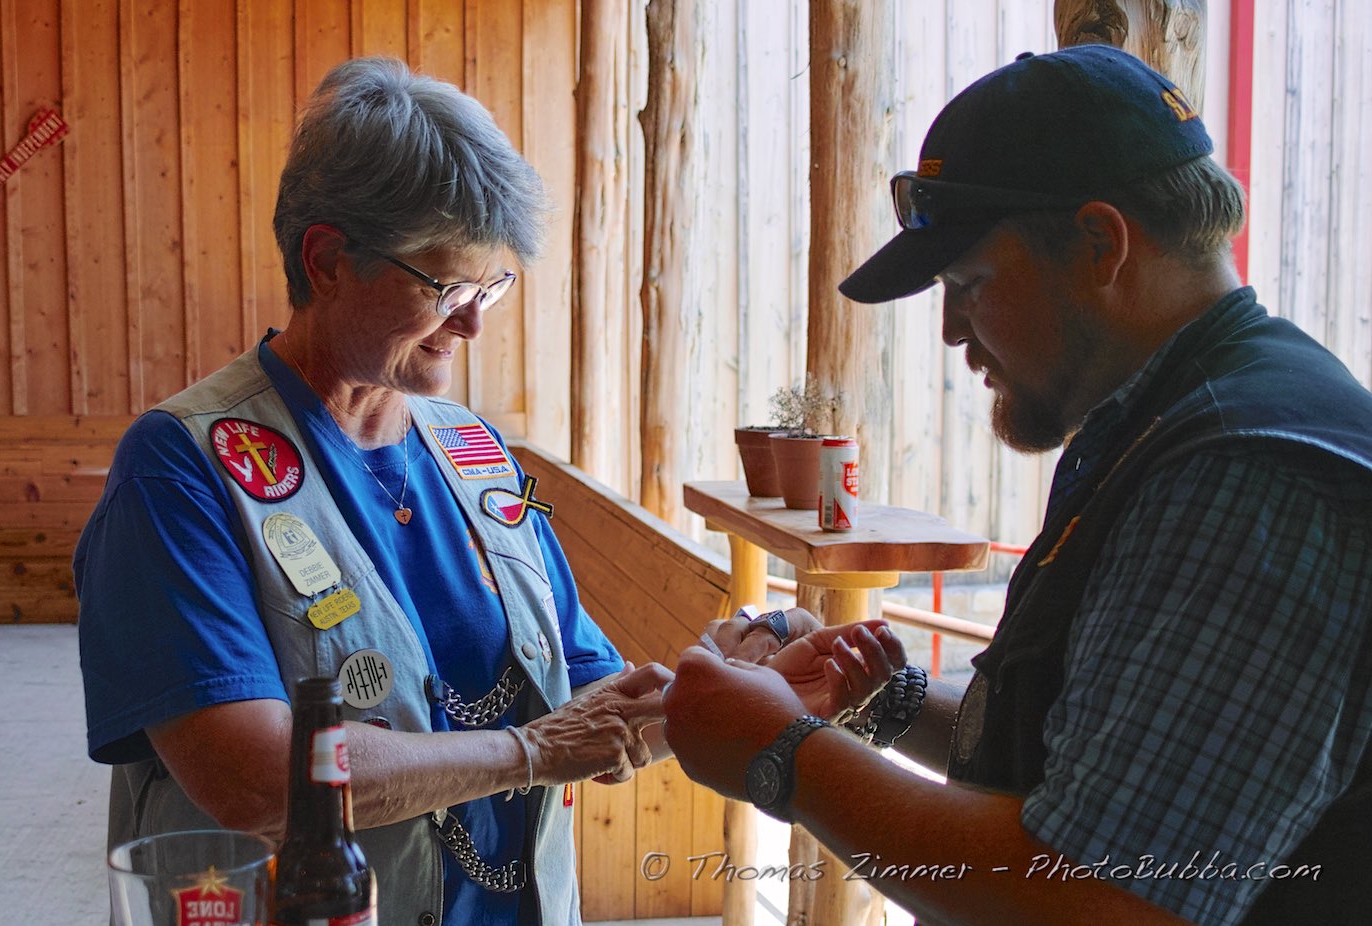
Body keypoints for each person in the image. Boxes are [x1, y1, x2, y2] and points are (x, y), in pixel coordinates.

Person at [74, 57, 839, 926]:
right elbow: (250, 779)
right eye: (445, 286)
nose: (473, 320)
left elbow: (589, 711)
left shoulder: (476, 454)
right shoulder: (179, 466)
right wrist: (526, 752)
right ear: (327, 261)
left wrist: (726, 685)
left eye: (491, 285)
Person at [663, 45, 1372, 925]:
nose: (951, 329)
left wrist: (780, 754)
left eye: (969, 284)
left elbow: (1100, 898)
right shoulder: (1169, 424)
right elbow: (1101, 760)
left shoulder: (1249, 477)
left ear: (1101, 244)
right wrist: (884, 700)